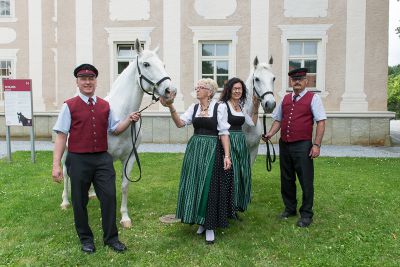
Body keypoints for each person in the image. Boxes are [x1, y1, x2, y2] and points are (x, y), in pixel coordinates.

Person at [52, 63, 141, 253]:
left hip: (102, 159)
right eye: (83, 79)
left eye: (91, 78)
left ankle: (111, 238)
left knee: (109, 197)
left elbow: (115, 129)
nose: (87, 82)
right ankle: (86, 239)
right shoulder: (69, 106)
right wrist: (56, 164)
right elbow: (61, 135)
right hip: (78, 159)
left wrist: (129, 119)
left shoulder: (105, 105)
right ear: (77, 82)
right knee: (79, 201)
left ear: (95, 81)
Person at [160, 78, 233, 244]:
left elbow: (224, 133)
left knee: (210, 186)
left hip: (212, 149)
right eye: (197, 87)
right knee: (196, 184)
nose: (197, 90)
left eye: (201, 87)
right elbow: (180, 123)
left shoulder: (219, 107)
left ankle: (209, 226)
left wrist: (227, 156)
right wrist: (171, 106)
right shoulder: (193, 108)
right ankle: (200, 220)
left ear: (209, 91)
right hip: (195, 150)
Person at [262, 67, 326, 228]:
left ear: (306, 81)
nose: (297, 82)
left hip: (303, 145)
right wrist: (270, 133)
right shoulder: (285, 99)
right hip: (285, 144)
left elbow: (321, 122)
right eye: (294, 79)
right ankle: (290, 208)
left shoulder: (313, 98)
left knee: (305, 180)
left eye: (300, 79)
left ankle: (306, 214)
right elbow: (278, 120)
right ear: (291, 81)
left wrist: (316, 145)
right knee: (287, 178)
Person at [219, 77, 259, 214]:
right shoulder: (223, 106)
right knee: (230, 175)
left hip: (240, 142)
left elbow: (252, 122)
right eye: (235, 88)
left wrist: (256, 107)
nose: (237, 91)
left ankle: (236, 206)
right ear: (229, 90)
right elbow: (220, 127)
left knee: (241, 174)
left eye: (240, 89)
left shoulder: (240, 107)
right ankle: (227, 208)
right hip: (229, 141)